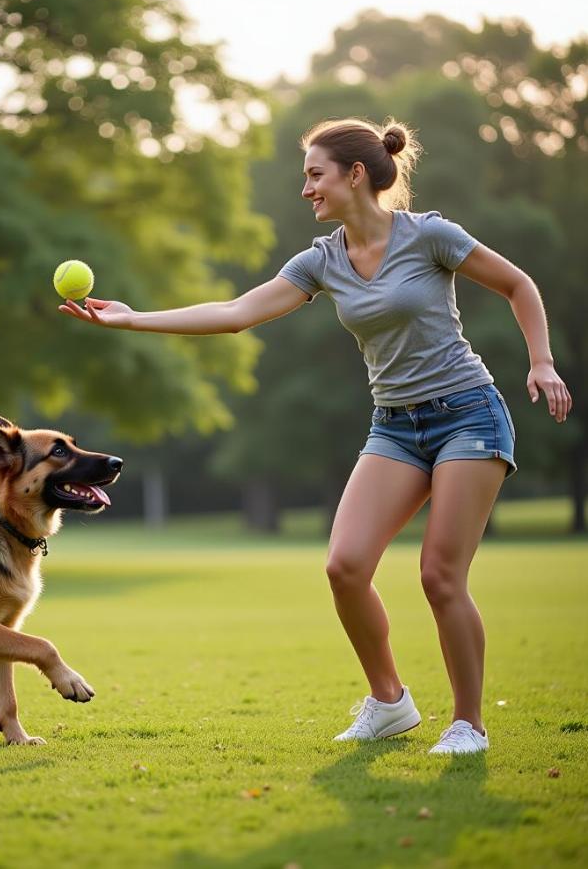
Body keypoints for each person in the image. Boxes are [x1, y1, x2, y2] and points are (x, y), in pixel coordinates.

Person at [59, 117, 572, 755]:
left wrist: (541, 360)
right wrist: (133, 320)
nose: (306, 189)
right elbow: (236, 313)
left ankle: (469, 722)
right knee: (345, 565)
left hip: (468, 412)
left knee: (440, 576)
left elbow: (517, 283)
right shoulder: (322, 260)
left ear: (356, 174)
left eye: (315, 175)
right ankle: (390, 702)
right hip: (395, 425)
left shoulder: (429, 235)